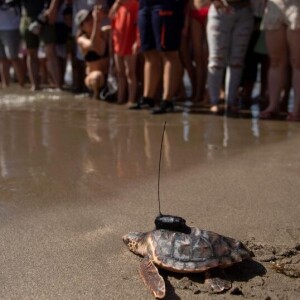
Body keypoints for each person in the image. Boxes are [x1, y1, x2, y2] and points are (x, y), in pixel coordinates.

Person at [132, 0, 186, 114]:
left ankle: (167, 101)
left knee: (169, 53)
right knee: (148, 52)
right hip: (145, 5)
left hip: (165, 4)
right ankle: (148, 98)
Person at [206, 0, 253, 114]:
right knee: (216, 61)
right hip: (220, 11)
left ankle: (231, 102)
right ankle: (214, 101)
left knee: (237, 62)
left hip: (244, 12)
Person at [260, 0, 300, 121]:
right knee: (275, 60)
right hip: (274, 5)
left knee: (297, 61)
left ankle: (297, 108)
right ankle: (273, 105)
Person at [19, 0, 62, 90]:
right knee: (31, 53)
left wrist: (52, 9)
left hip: (45, 15)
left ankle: (58, 86)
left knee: (50, 51)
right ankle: (34, 85)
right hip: (27, 16)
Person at [76, 6, 111, 99]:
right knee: (97, 76)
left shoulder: (106, 32)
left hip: (109, 76)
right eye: (87, 20)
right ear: (81, 26)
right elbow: (93, 44)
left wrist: (106, 14)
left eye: (91, 17)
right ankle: (95, 99)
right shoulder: (81, 39)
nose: (91, 21)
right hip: (93, 79)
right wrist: (97, 22)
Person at [109, 0, 139, 106]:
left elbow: (138, 25)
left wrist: (137, 41)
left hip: (130, 43)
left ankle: (131, 99)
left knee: (130, 72)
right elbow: (111, 17)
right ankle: (120, 99)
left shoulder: (135, 5)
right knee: (120, 72)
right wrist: (117, 4)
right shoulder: (118, 6)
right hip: (118, 44)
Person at [0, 2, 25, 87]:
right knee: (2, 59)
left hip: (11, 27)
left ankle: (22, 84)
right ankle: (6, 85)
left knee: (13, 57)